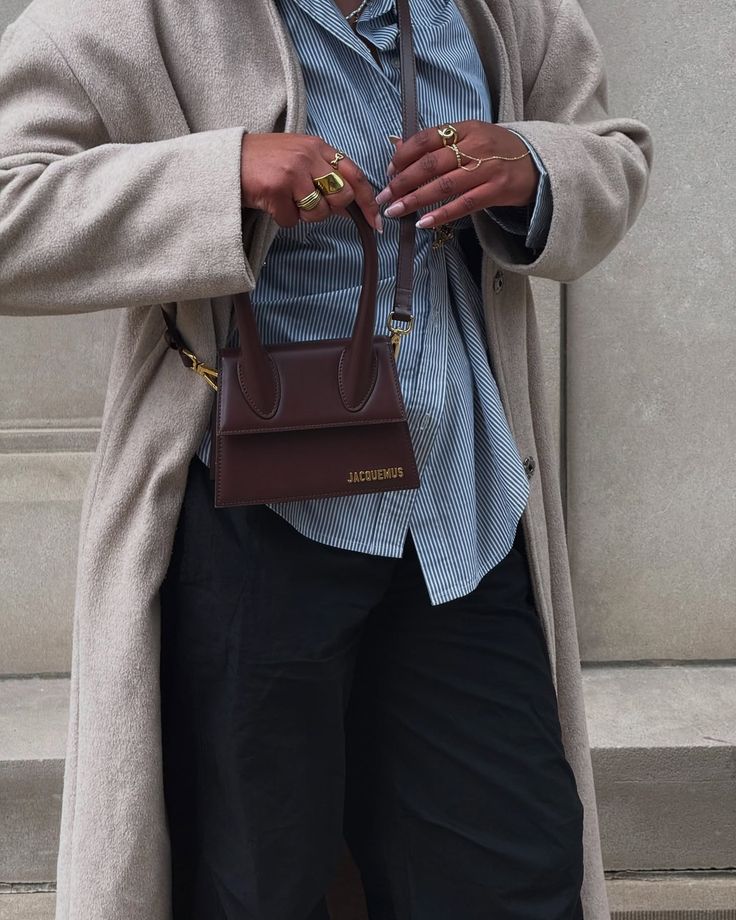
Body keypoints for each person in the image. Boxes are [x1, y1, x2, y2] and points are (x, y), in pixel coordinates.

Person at [0, 1, 652, 919]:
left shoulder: (502, 12)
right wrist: (219, 175)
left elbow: (614, 156)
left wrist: (536, 167)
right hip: (250, 520)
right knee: (255, 886)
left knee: (516, 874)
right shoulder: (127, 15)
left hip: (462, 514)